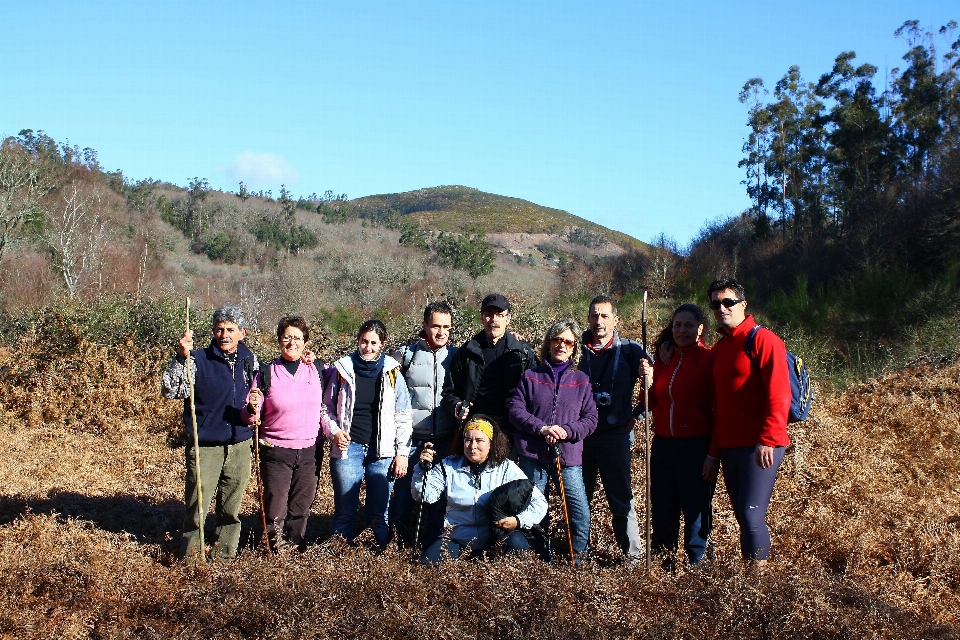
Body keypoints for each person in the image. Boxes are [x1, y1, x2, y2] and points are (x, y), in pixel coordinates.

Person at [703, 278, 791, 564]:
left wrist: (767, 439)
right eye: (715, 303)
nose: (721, 308)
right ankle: (750, 583)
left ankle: (758, 586)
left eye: (728, 302)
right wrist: (714, 453)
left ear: (743, 304)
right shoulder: (721, 348)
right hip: (730, 447)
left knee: (752, 514)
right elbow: (720, 408)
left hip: (758, 446)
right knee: (743, 514)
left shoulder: (763, 340)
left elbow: (779, 395)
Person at [161, 303, 257, 563]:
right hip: (206, 446)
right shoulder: (198, 360)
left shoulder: (251, 361)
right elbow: (171, 390)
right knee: (197, 508)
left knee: (231, 508)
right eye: (219, 329)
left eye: (230, 329)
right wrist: (181, 357)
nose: (224, 335)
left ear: (242, 333)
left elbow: (258, 393)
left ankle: (224, 556)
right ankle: (191, 559)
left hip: (240, 444)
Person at [509, 319, 598, 563]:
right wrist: (542, 428)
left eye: (568, 341)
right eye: (557, 339)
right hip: (532, 455)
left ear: (574, 347)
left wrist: (566, 431)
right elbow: (516, 411)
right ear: (549, 343)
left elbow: (591, 418)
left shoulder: (581, 380)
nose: (562, 345)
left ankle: (577, 556)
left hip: (568, 457)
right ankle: (539, 556)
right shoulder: (530, 376)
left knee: (577, 508)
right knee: (534, 507)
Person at [321, 319, 413, 549]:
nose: (368, 347)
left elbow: (403, 414)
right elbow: (326, 408)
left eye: (374, 342)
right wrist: (334, 432)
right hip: (348, 448)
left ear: (382, 343)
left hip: (382, 451)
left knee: (378, 514)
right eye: (364, 341)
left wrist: (402, 453)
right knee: (344, 511)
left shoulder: (392, 372)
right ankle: (339, 556)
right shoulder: (343, 369)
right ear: (358, 340)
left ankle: (379, 558)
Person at [641, 303, 717, 569]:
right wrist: (648, 379)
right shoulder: (664, 357)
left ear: (700, 329)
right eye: (677, 325)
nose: (682, 330)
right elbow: (649, 402)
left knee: (695, 508)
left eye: (688, 325)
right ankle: (665, 565)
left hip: (696, 444)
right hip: (663, 443)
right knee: (663, 506)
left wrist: (712, 454)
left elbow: (718, 411)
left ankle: (698, 568)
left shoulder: (709, 360)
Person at [412, 415, 547, 564]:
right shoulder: (447, 466)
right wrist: (421, 470)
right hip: (457, 538)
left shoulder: (506, 468)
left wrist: (518, 520)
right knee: (427, 564)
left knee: (517, 545)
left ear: (491, 443)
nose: (472, 446)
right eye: (468, 439)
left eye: (479, 440)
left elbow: (539, 502)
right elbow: (424, 496)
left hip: (494, 537)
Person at [578, 294, 650, 564]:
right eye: (594, 315)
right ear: (588, 318)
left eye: (605, 315)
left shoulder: (632, 350)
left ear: (616, 320)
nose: (599, 321)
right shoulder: (575, 348)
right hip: (580, 438)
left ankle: (631, 557)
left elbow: (654, 386)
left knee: (621, 497)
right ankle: (578, 554)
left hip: (615, 436)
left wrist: (639, 415)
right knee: (579, 497)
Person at [244, 316, 325, 553]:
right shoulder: (267, 373)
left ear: (305, 342)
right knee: (274, 507)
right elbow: (252, 411)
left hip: (310, 449)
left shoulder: (318, 370)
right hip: (276, 450)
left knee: (301, 505)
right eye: (287, 337)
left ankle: (295, 546)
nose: (292, 343)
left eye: (297, 338)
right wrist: (251, 408)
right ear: (279, 340)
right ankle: (272, 549)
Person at [389, 301, 458, 550]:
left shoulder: (457, 356)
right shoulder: (405, 356)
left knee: (441, 497)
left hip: (446, 439)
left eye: (446, 327)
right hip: (412, 439)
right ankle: (398, 545)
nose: (441, 332)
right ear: (424, 326)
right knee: (404, 496)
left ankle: (432, 546)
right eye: (436, 326)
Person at [441, 293, 538, 433]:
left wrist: (521, 402)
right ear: (482, 318)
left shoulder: (522, 352)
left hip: (512, 429)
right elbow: (450, 391)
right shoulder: (467, 352)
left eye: (499, 315)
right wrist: (456, 405)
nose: (494, 319)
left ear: (508, 318)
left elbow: (537, 390)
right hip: (475, 428)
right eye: (489, 314)